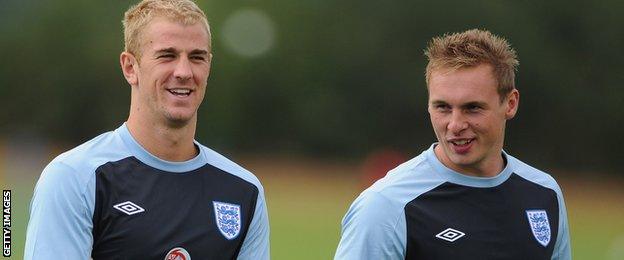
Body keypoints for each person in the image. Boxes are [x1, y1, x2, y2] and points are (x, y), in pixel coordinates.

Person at [24, 0, 269, 259]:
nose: (184, 72)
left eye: (197, 57)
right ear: (130, 67)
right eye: (167, 56)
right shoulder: (76, 178)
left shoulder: (244, 191)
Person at [334, 29, 571, 259]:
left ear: (510, 103)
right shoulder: (385, 206)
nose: (455, 124)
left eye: (472, 108)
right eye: (443, 107)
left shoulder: (544, 193)